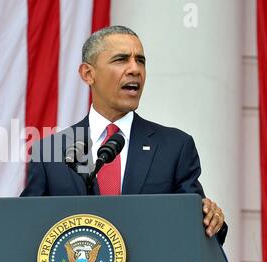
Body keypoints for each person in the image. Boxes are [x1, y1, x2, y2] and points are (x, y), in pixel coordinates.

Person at [19, 25, 227, 244]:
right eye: (121, 60)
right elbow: (26, 226)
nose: (135, 69)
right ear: (88, 74)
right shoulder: (49, 152)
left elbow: (197, 227)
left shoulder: (174, 146)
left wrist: (213, 219)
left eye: (140, 61)